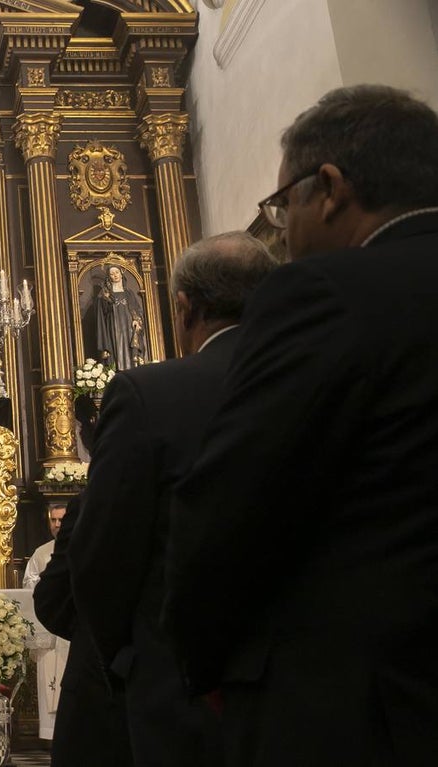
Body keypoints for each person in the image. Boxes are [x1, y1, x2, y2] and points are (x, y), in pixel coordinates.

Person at [164, 85, 438, 767]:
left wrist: (207, 662)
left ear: (331, 188)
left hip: (366, 701)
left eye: (283, 204)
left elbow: (236, 501)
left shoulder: (323, 291)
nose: (282, 227)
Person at [70, 232, 278, 767]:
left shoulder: (148, 394)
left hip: (178, 679)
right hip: (310, 674)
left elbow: (101, 555)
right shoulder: (323, 374)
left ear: (183, 309)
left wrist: (128, 656)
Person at [33, 496, 132, 767]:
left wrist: (84, 628)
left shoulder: (93, 503)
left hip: (95, 663)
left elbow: (51, 598)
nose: (55, 524)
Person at [23, 501, 69, 742]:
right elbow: (29, 585)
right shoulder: (41, 553)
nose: (57, 524)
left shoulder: (80, 546)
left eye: (62, 519)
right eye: (54, 520)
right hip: (50, 630)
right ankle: (52, 738)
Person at [95, 265, 146, 371]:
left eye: (117, 272)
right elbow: (102, 313)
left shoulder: (129, 293)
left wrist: (136, 319)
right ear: (109, 277)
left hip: (129, 327)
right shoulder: (104, 294)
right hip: (114, 326)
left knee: (130, 350)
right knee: (116, 349)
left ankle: (133, 367)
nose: (115, 275)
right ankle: (117, 370)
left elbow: (137, 309)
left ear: (121, 274)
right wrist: (106, 299)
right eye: (112, 274)